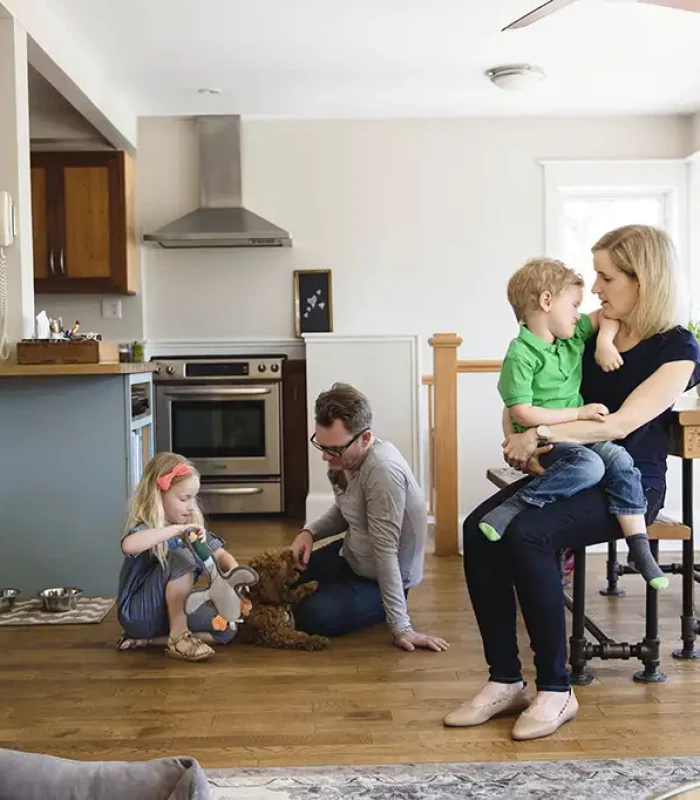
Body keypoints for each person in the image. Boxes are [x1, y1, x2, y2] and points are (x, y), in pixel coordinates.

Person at [444, 224, 700, 741]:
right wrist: (521, 438)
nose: (598, 288)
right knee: (477, 529)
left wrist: (538, 429)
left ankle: (557, 690)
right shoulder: (588, 327)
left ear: (642, 280)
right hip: (567, 469)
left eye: (606, 277)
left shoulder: (679, 349)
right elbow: (530, 382)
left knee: (529, 534)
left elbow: (619, 424)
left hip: (629, 487)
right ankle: (506, 680)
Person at [478, 257, 668, 591]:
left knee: (621, 461)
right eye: (575, 305)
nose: (580, 312)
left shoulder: (569, 336)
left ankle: (638, 546)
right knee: (589, 466)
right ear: (547, 301)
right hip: (549, 441)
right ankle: (517, 505)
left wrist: (606, 342)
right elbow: (522, 413)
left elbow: (608, 315)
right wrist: (577, 414)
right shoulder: (520, 355)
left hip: (581, 437)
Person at [287, 382, 449, 653]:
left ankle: (379, 606)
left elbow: (385, 551)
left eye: (334, 449)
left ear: (364, 438)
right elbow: (346, 511)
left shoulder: (383, 471)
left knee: (311, 615)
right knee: (276, 576)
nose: (327, 457)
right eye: (322, 446)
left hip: (381, 576)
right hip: (350, 556)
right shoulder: (344, 459)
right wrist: (309, 532)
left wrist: (401, 627)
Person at [116, 452, 243, 661]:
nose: (191, 506)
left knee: (226, 625)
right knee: (182, 557)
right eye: (184, 498)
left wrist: (236, 578)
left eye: (194, 497)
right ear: (158, 495)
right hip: (140, 615)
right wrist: (175, 530)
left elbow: (220, 555)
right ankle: (179, 637)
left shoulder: (191, 530)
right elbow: (128, 545)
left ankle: (150, 641)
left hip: (172, 613)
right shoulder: (148, 529)